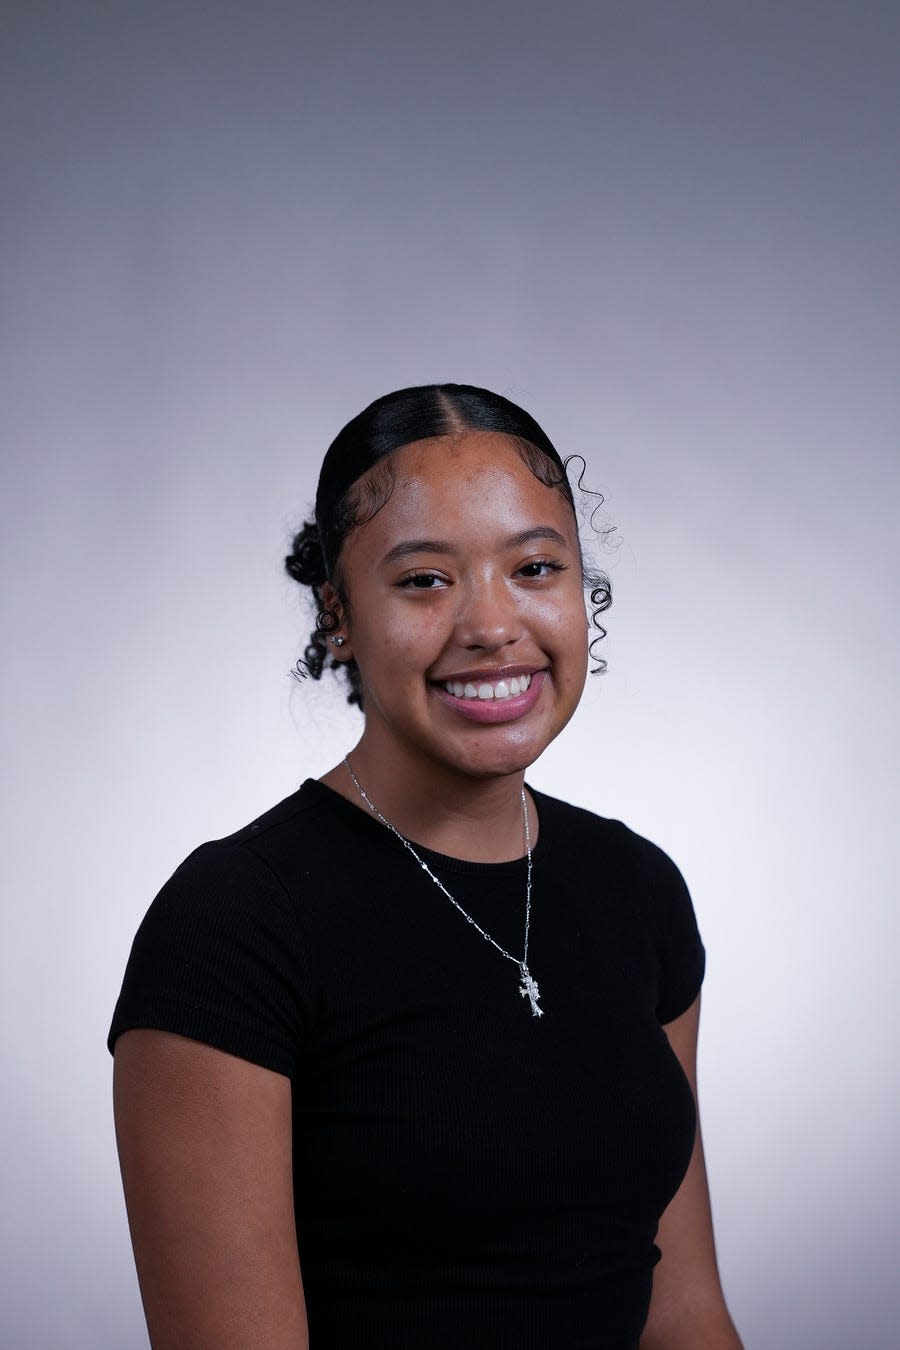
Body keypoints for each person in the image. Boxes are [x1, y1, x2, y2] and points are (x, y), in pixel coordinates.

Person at [109, 383, 742, 1349]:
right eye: (424, 580)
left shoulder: (637, 888)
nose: (492, 624)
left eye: (535, 567)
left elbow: (687, 1317)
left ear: (583, 592)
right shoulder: (234, 923)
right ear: (339, 616)